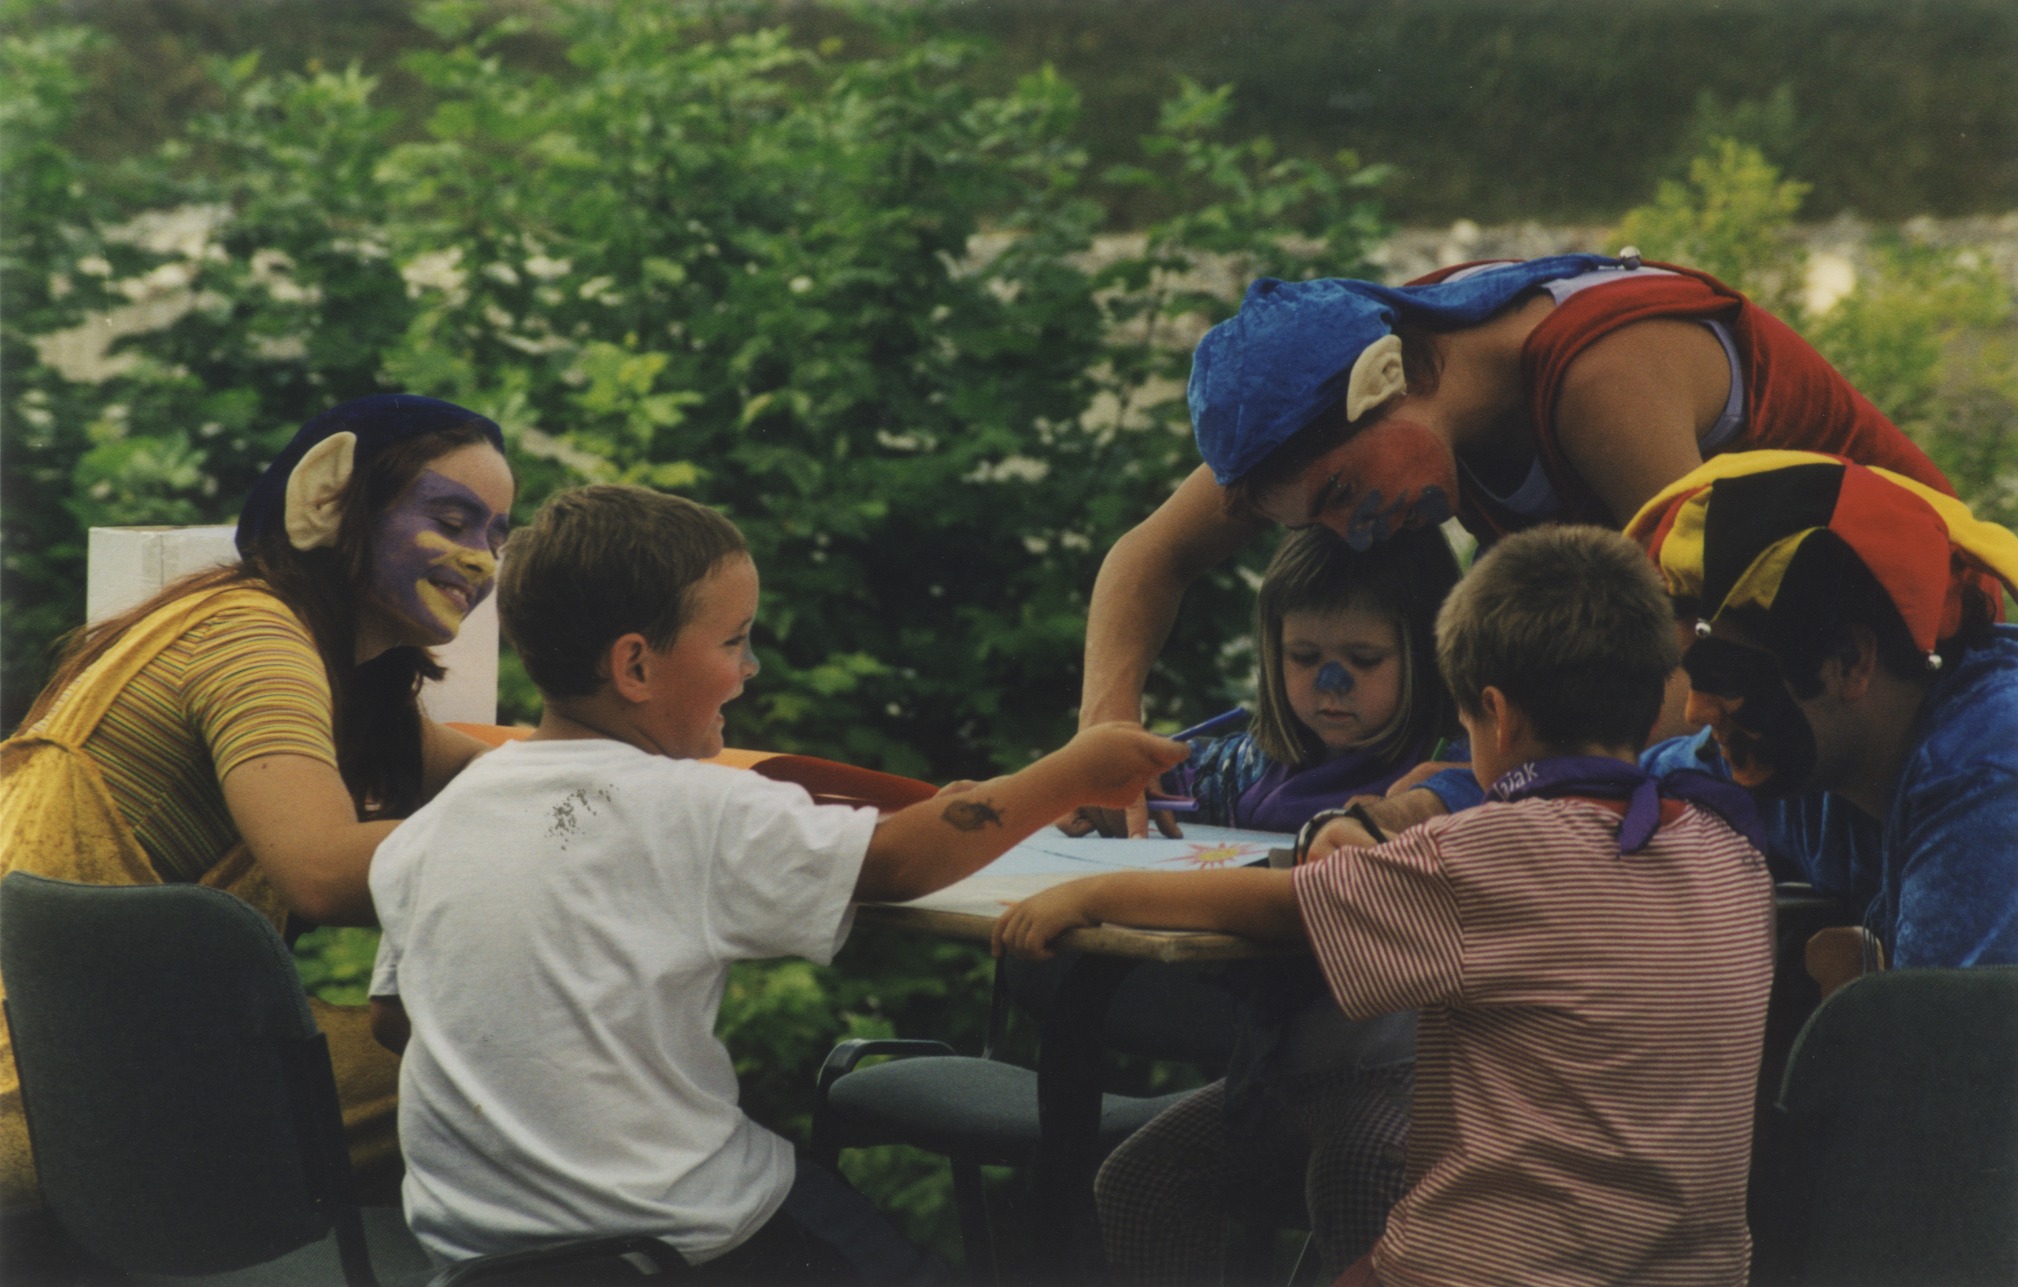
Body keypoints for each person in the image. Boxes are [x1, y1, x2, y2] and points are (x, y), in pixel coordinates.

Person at [364, 483, 1187, 1280]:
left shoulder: (436, 824)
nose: (750, 667)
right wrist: (1072, 771)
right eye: (734, 641)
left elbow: (395, 1018)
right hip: (684, 1240)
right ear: (636, 666)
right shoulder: (690, 803)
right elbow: (898, 861)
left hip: (480, 1254)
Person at [1001, 525, 1776, 1286]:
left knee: (1322, 1175)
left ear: (1497, 714)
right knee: (1151, 1180)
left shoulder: (1488, 853)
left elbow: (1282, 907)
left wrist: (1094, 890)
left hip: (1492, 1265)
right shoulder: (1729, 851)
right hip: (1691, 1266)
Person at [1076, 251, 1958, 839]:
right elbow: (1149, 557)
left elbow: (1695, 666)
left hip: (1903, 692)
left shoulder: (1599, 382)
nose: (1352, 535)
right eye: (1314, 522)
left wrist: (1469, 786)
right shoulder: (1364, 362)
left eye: (1342, 494)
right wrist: (1103, 738)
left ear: (1393, 380)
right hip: (1781, 715)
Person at [0, 393, 514, 1214]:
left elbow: (497, 770)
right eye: (452, 521)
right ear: (329, 500)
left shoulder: (306, 649)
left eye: (496, 536)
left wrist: (657, 777)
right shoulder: (254, 642)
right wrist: (566, 845)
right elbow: (321, 870)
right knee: (517, 1072)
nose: (482, 560)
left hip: (101, 1063)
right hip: (62, 1100)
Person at [1096, 524, 1459, 1284]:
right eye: (1303, 657)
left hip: (1411, 1077)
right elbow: (1152, 777)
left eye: (1363, 660)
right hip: (1281, 1077)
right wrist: (1087, 792)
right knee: (1140, 1184)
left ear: (1429, 655)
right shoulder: (1253, 764)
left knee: (1357, 1170)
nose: (1331, 683)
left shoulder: (1454, 770)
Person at [1628, 450, 2018, 969]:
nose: (1696, 712)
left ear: (1850, 660)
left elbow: (1941, 1023)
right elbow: (1624, 784)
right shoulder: (1809, 744)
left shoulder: (1988, 771)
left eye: (1725, 677)